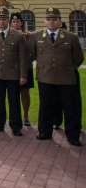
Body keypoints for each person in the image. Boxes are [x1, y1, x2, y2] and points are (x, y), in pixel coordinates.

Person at [30, 8, 84, 146]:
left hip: (66, 79)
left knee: (69, 108)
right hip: (45, 78)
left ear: (60, 21)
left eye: (54, 19)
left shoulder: (71, 37)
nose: (51, 22)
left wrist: (67, 69)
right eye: (49, 19)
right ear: (44, 21)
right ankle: (44, 132)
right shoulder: (36, 36)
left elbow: (78, 58)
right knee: (46, 107)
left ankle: (72, 136)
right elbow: (33, 54)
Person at [0, 7, 28, 136]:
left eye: (4, 19)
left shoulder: (19, 35)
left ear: (8, 20)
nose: (2, 22)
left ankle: (16, 126)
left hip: (13, 75)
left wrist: (23, 76)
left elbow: (23, 57)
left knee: (14, 101)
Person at [10, 13, 34, 126]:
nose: (15, 24)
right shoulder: (8, 35)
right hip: (12, 69)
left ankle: (26, 116)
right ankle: (15, 117)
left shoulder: (28, 36)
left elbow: (33, 52)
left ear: (22, 23)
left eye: (18, 21)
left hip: (26, 68)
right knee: (13, 94)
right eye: (13, 22)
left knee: (25, 93)